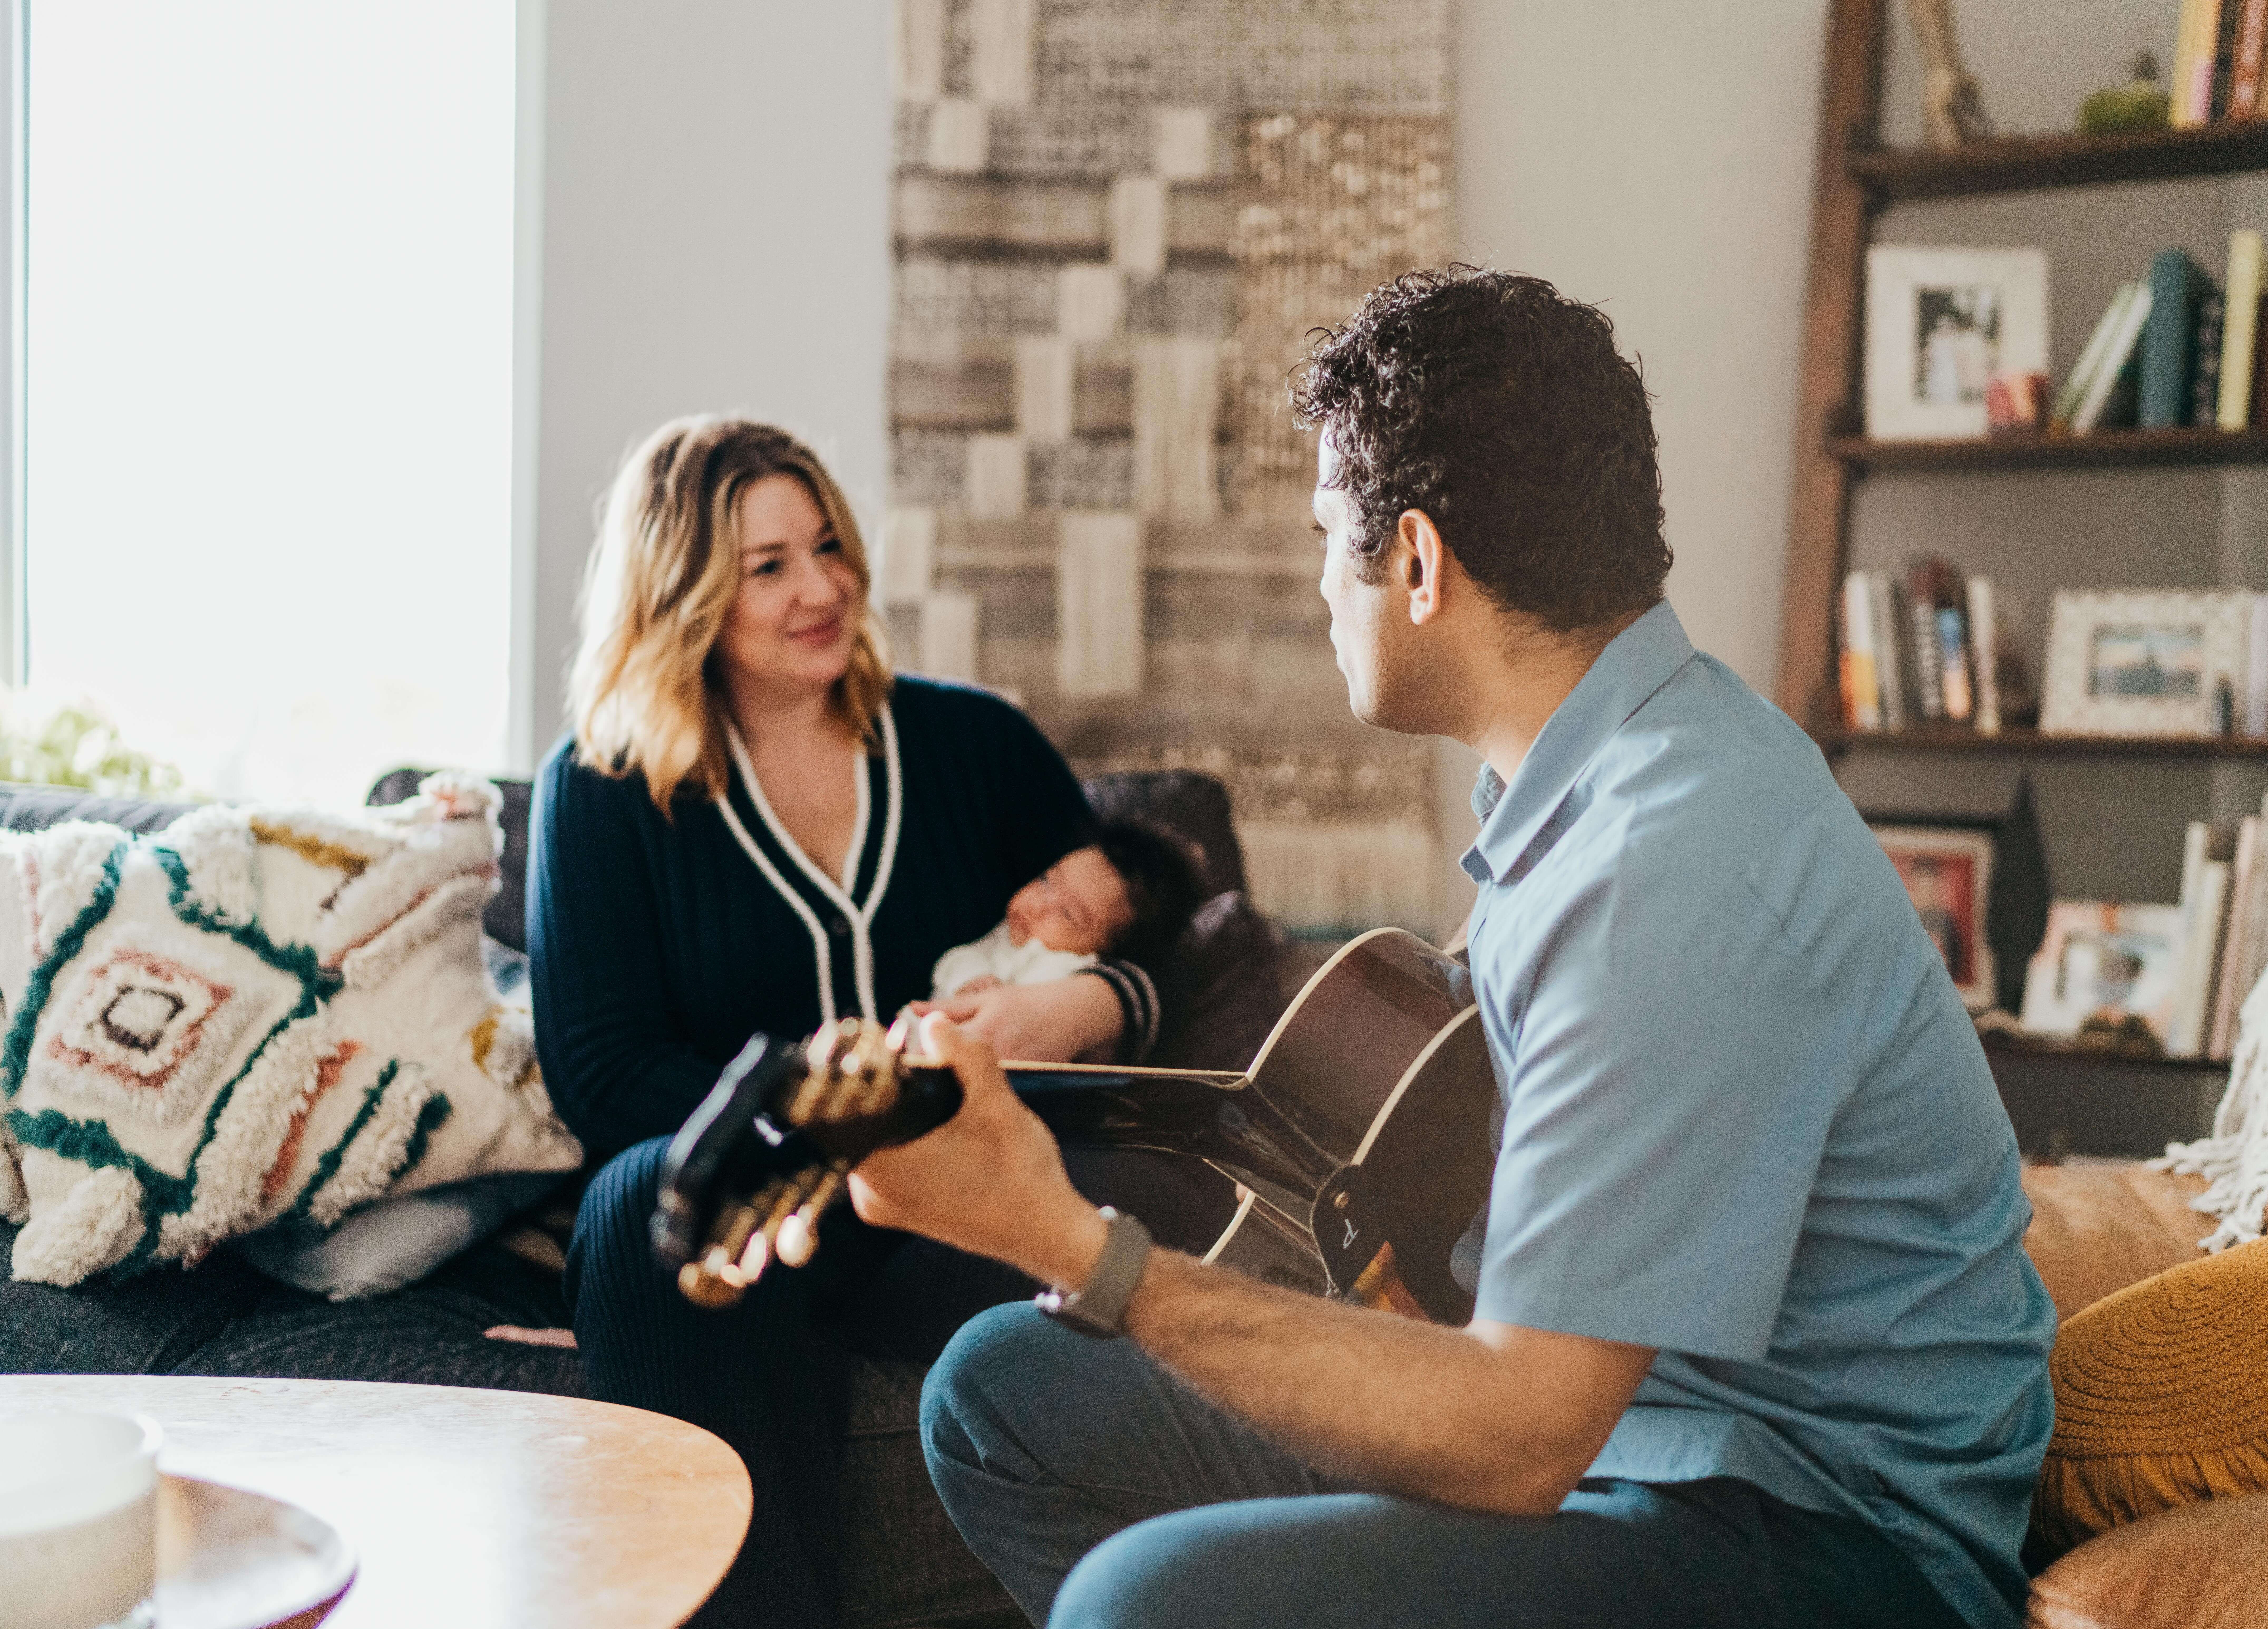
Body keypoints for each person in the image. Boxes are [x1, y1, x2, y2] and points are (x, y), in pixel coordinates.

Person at [843, 268, 2056, 1629]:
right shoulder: (1603, 766)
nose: (1318, 583)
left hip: (1818, 1528)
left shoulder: (1662, 871)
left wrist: (1068, 1236)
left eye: (1324, 536)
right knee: (1008, 1391)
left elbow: (1522, 1435)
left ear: (1416, 562)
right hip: (1629, 1432)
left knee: (1142, 1599)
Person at [526, 416, 1223, 1628]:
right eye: (771, 565)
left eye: (830, 545)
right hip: (762, 1197)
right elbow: (602, 1066)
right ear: (683, 593)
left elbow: (1158, 933)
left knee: (1178, 1212)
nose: (825, 586)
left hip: (971, 1185)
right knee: (642, 1207)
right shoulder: (599, 790)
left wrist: (1086, 998)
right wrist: (820, 1133)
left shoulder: (973, 744)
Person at [931, 820, 1201, 1001]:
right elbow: (953, 960)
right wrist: (974, 978)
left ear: (1103, 955)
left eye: (1067, 914)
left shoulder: (1068, 974)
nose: (1037, 905)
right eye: (1046, 881)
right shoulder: (1008, 935)